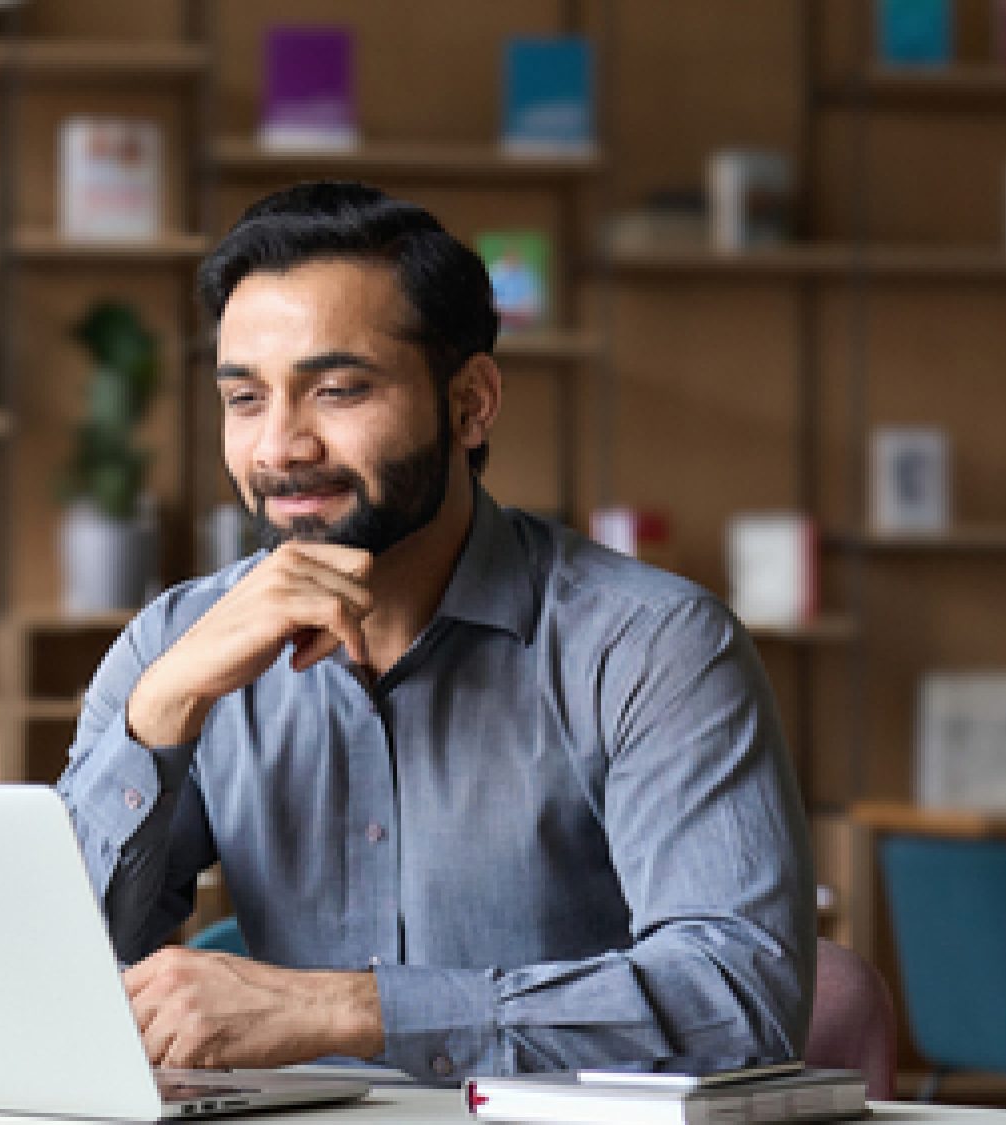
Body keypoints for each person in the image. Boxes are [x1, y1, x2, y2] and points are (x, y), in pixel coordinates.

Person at [54, 181, 815, 1083]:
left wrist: (355, 1010)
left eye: (337, 389)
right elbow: (41, 980)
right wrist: (160, 716)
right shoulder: (173, 648)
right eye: (246, 398)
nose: (279, 447)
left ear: (471, 403)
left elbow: (740, 998)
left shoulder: (654, 647)